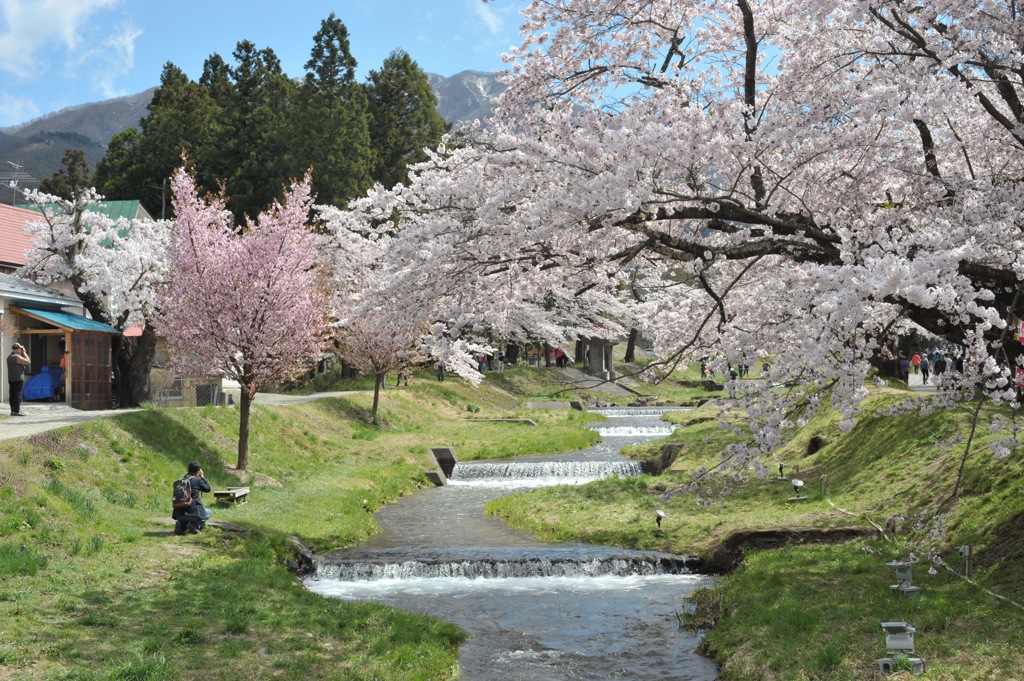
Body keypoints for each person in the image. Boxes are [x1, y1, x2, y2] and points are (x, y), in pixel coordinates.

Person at [173, 461, 212, 533]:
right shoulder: (198, 480)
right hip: (194, 514)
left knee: (185, 516)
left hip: (178, 514)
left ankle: (182, 524)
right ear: (198, 471)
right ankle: (195, 525)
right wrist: (202, 477)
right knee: (208, 512)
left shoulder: (179, 481)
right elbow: (208, 489)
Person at [6, 343, 30, 416]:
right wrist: (25, 353)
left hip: (11, 378)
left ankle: (13, 410)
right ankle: (17, 411)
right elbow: (28, 361)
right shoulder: (17, 357)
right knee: (17, 394)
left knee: (12, 394)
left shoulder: (9, 357)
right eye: (20, 349)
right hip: (18, 378)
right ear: (18, 349)